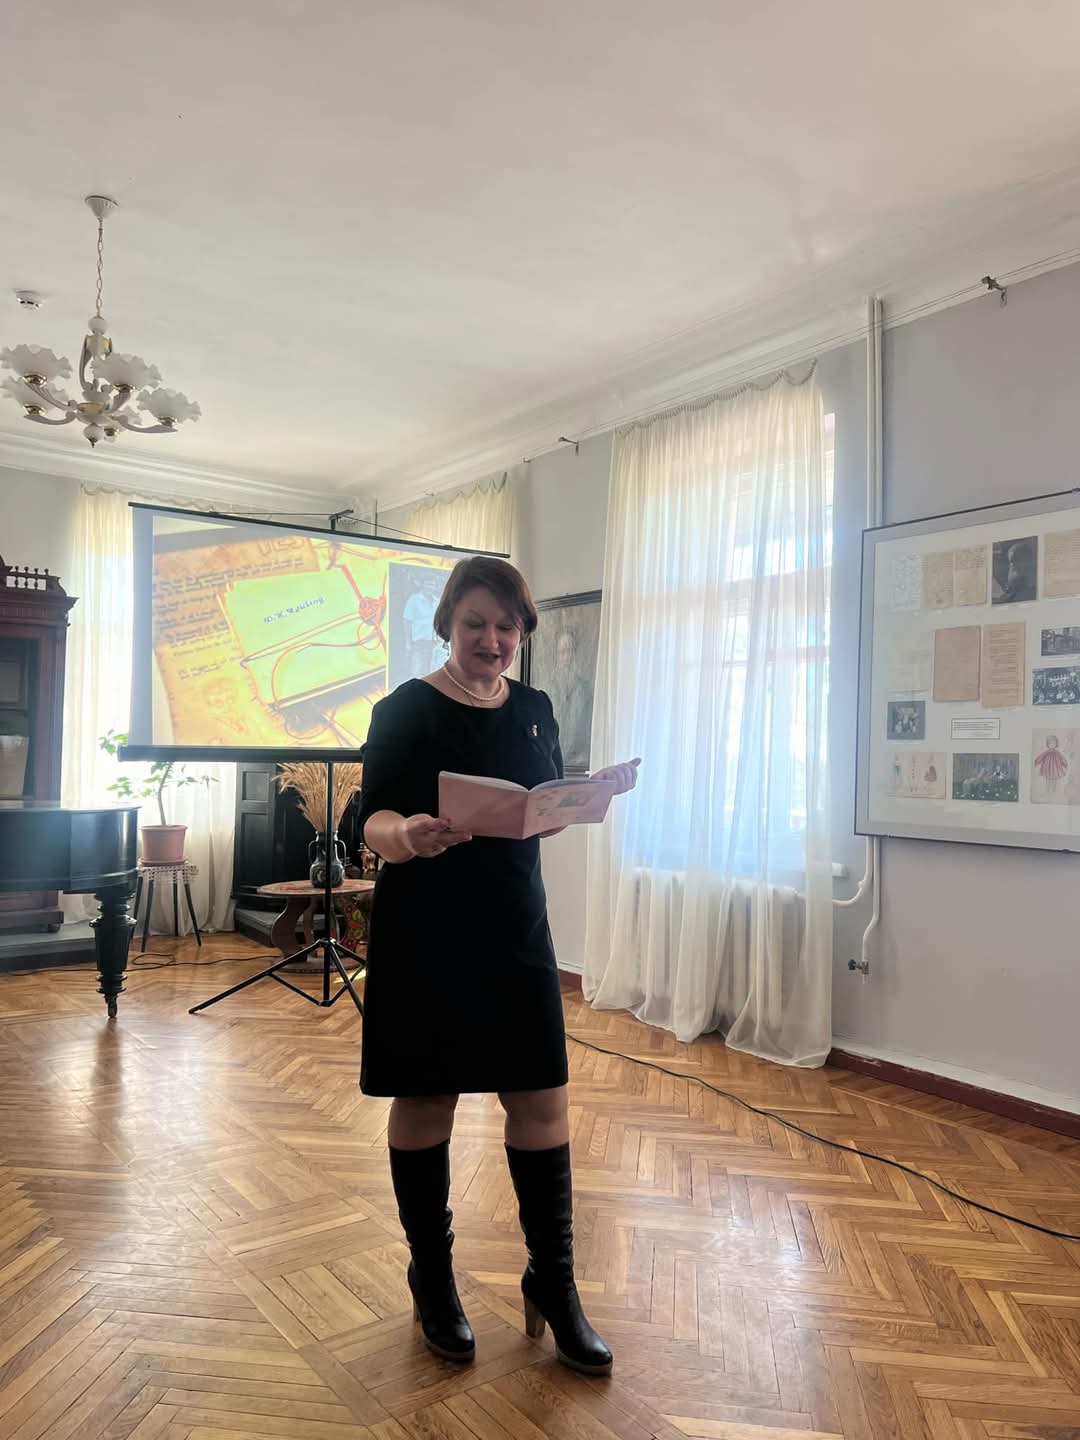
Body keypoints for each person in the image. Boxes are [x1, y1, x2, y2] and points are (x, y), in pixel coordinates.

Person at [358, 556, 639, 1375]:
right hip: (425, 930)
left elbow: (536, 813)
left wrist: (581, 797)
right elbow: (370, 820)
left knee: (542, 1100)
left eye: (506, 627)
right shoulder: (404, 709)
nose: (491, 640)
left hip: (516, 928)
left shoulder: (536, 709)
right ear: (447, 623)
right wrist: (407, 835)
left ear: (522, 634)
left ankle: (554, 1281)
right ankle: (433, 1277)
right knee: (426, 1100)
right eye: (476, 623)